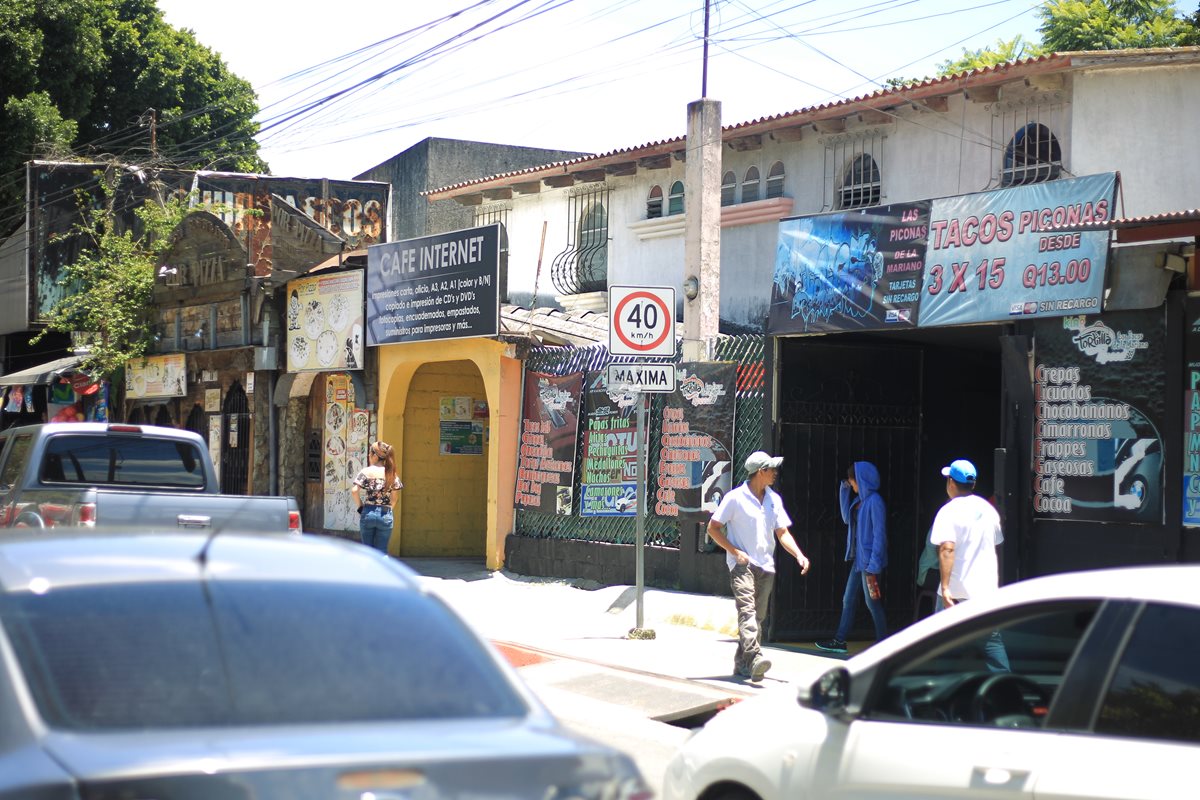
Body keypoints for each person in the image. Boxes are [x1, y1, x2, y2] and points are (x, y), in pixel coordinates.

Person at [707, 450, 811, 682]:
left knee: (758, 617)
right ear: (760, 472)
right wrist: (735, 552)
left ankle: (742, 663)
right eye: (771, 469)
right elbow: (713, 528)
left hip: (766, 565)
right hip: (741, 565)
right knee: (747, 612)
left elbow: (782, 532)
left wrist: (799, 555)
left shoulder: (774, 499)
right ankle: (754, 657)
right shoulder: (734, 498)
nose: (775, 473)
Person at [929, 458, 1009, 671]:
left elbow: (947, 548)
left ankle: (940, 693)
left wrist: (945, 588)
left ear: (951, 483)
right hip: (985, 592)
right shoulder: (988, 510)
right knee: (992, 646)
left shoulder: (948, 511)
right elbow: (997, 545)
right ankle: (1008, 693)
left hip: (956, 592)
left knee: (939, 647)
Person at [816, 462, 887, 654]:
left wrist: (874, 564)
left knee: (872, 603)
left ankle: (884, 643)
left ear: (861, 480)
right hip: (859, 561)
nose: (851, 483)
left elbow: (880, 535)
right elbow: (846, 518)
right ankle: (839, 640)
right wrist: (843, 490)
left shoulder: (875, 501)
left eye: (852, 480)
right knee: (848, 599)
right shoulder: (859, 501)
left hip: (869, 563)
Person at [352, 441, 402, 554]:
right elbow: (395, 498)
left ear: (375, 455)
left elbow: (354, 491)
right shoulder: (391, 474)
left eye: (370, 452)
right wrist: (388, 510)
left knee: (367, 552)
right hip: (385, 514)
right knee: (382, 552)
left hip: (368, 512)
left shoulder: (366, 471)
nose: (369, 455)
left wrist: (361, 507)